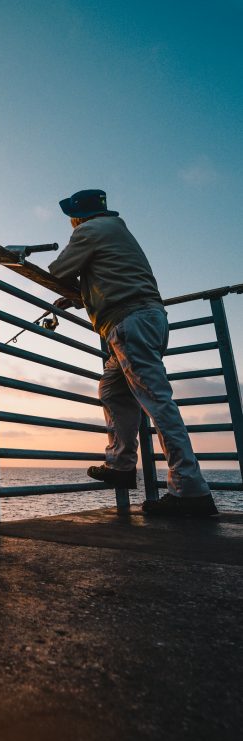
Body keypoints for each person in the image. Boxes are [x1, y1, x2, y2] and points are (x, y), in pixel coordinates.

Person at [47, 188, 218, 517]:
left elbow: (59, 270)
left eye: (71, 215)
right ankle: (122, 465)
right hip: (146, 319)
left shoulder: (89, 230)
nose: (71, 222)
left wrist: (72, 286)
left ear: (79, 215)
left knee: (158, 402)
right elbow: (112, 274)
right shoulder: (117, 231)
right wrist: (81, 295)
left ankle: (190, 490)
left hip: (129, 323)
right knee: (112, 388)